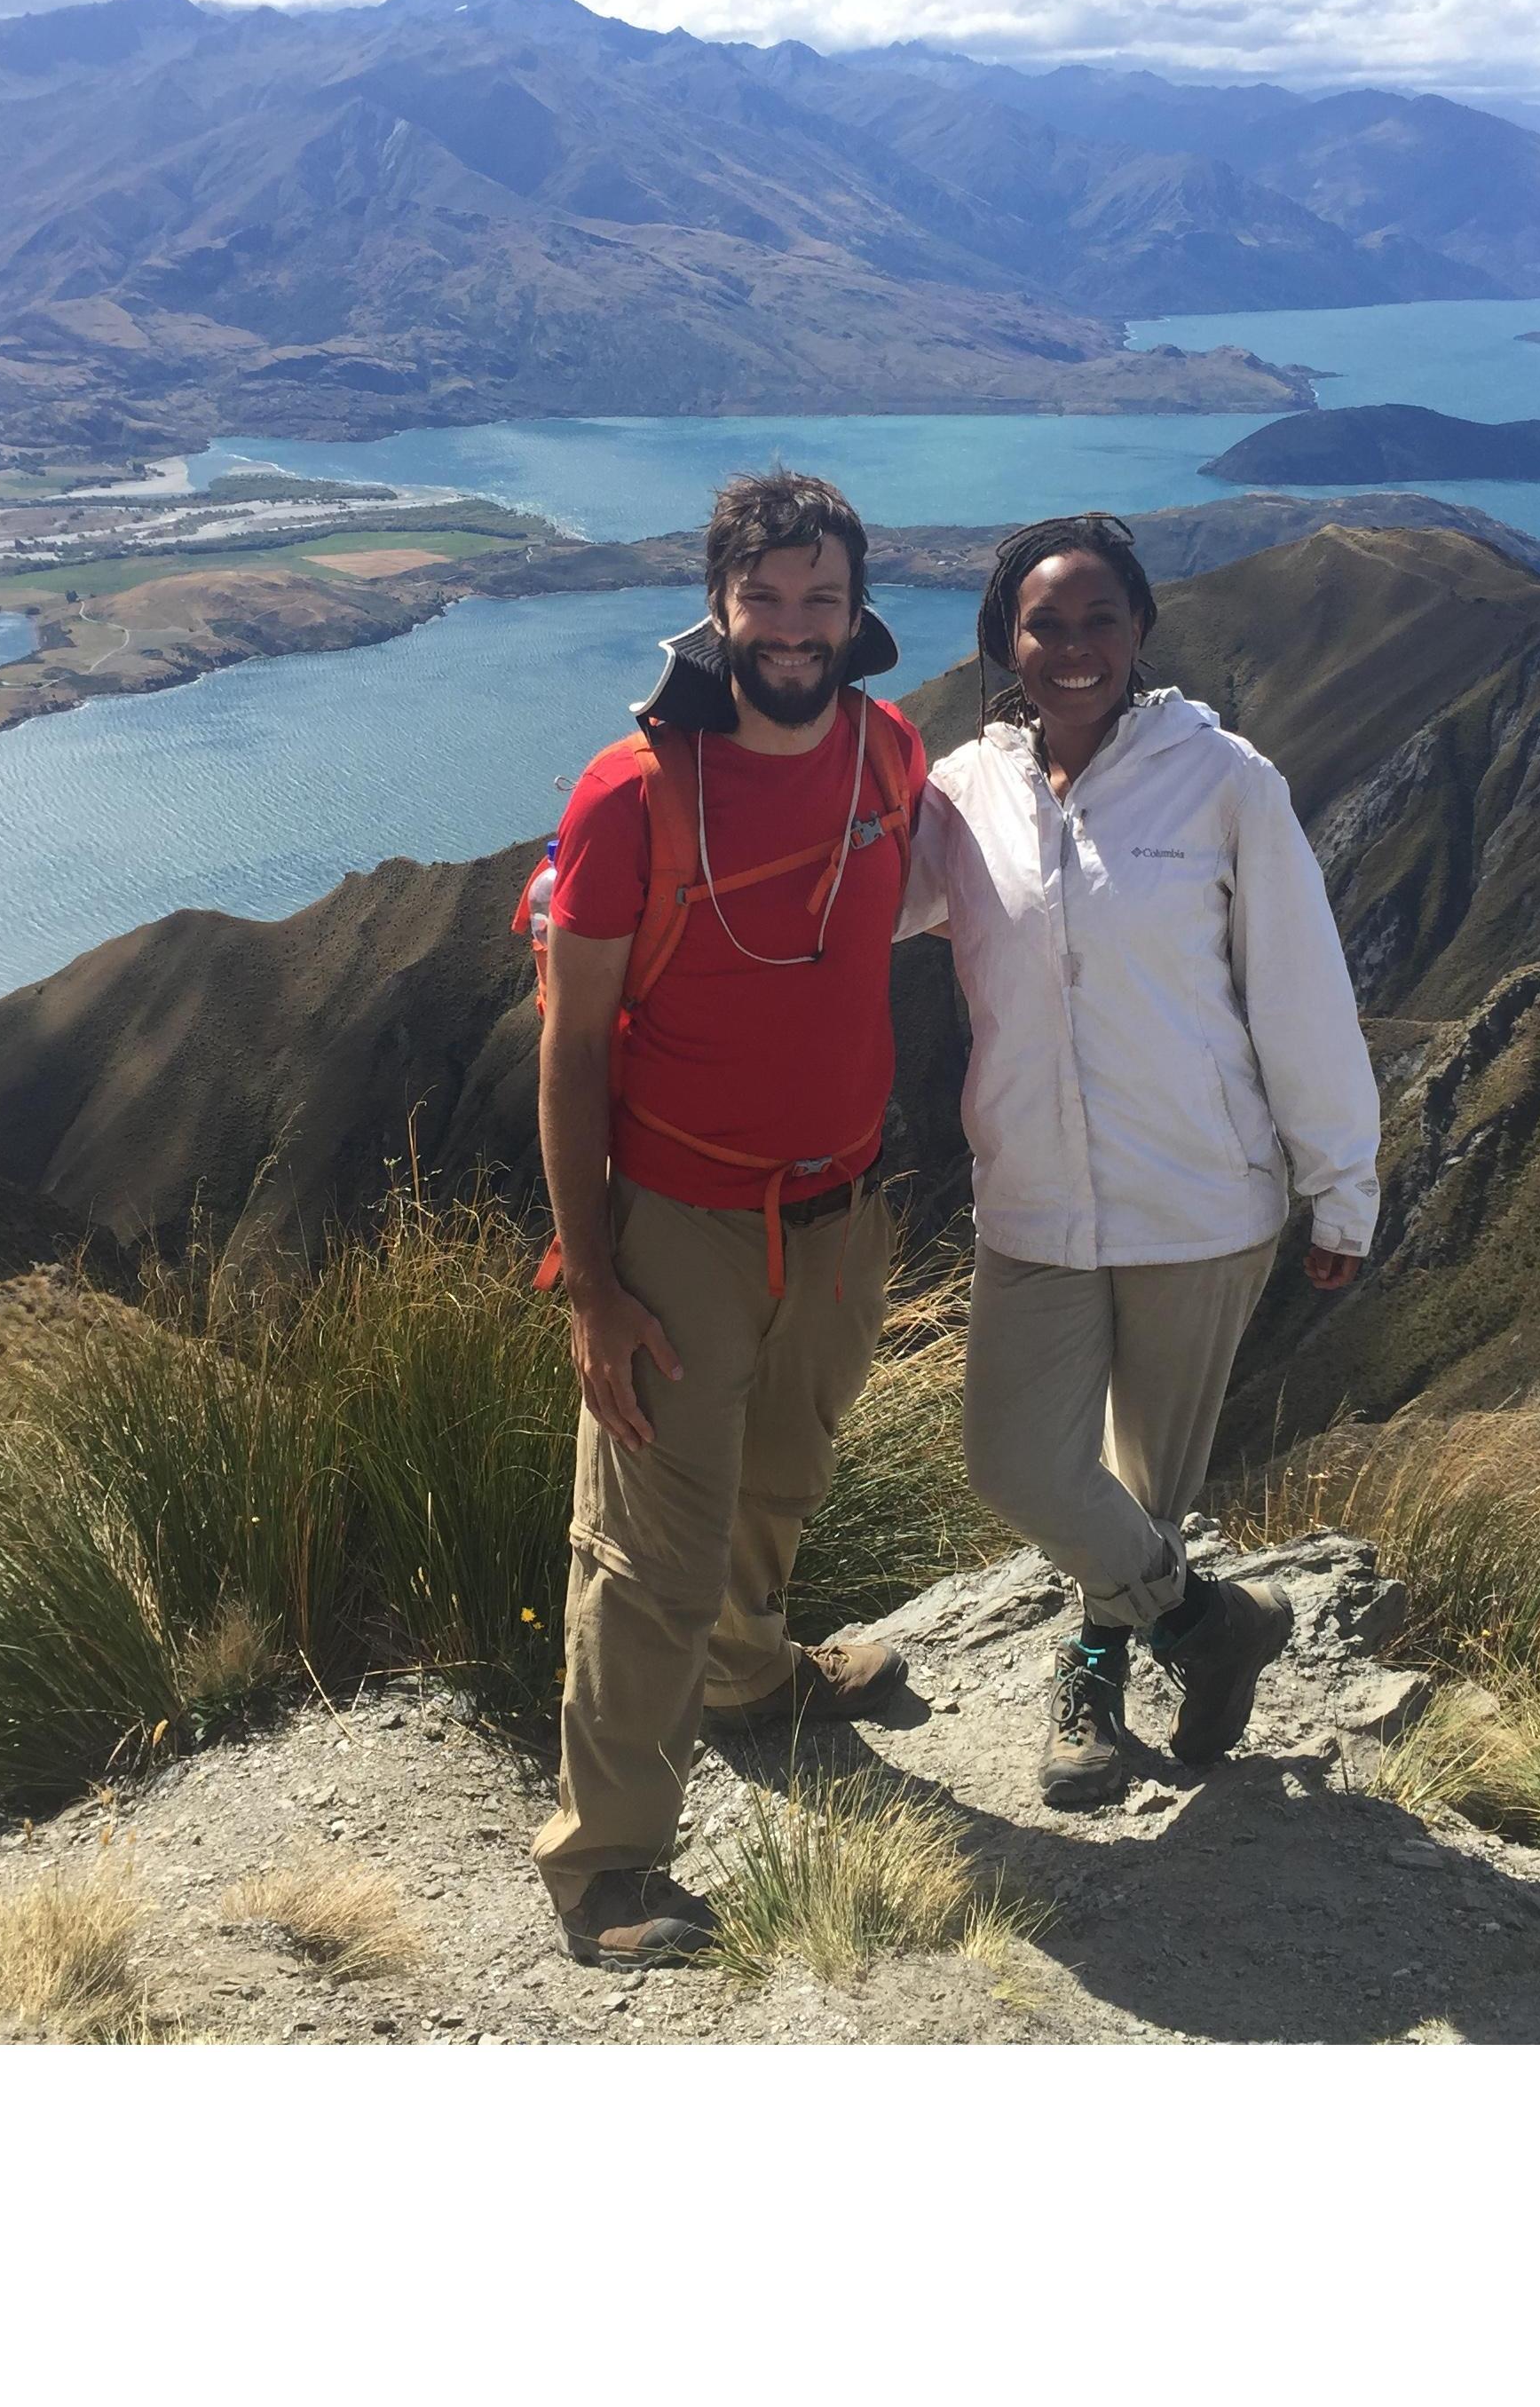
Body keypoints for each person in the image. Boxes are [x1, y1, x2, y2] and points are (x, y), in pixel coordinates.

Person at [900, 511, 1383, 1807]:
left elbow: (1300, 990)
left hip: (1203, 1196)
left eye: (1098, 619)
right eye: (1045, 623)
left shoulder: (1225, 780)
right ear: (1006, 638)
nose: (1072, 647)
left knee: (1144, 1484)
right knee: (1015, 1464)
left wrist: (1341, 1184)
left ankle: (1094, 1686)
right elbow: (858, 908)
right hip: (1034, 1200)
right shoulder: (964, 794)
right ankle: (1214, 1626)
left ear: (1141, 631)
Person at [527, 469, 927, 1966]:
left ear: (855, 607)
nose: (793, 627)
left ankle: (756, 1680)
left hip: (837, 1212)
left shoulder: (890, 751)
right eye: (764, 597)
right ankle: (606, 1866)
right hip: (681, 1224)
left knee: (782, 1474)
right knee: (650, 1553)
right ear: (719, 604)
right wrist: (594, 1289)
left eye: (821, 598)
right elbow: (569, 1055)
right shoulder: (631, 797)